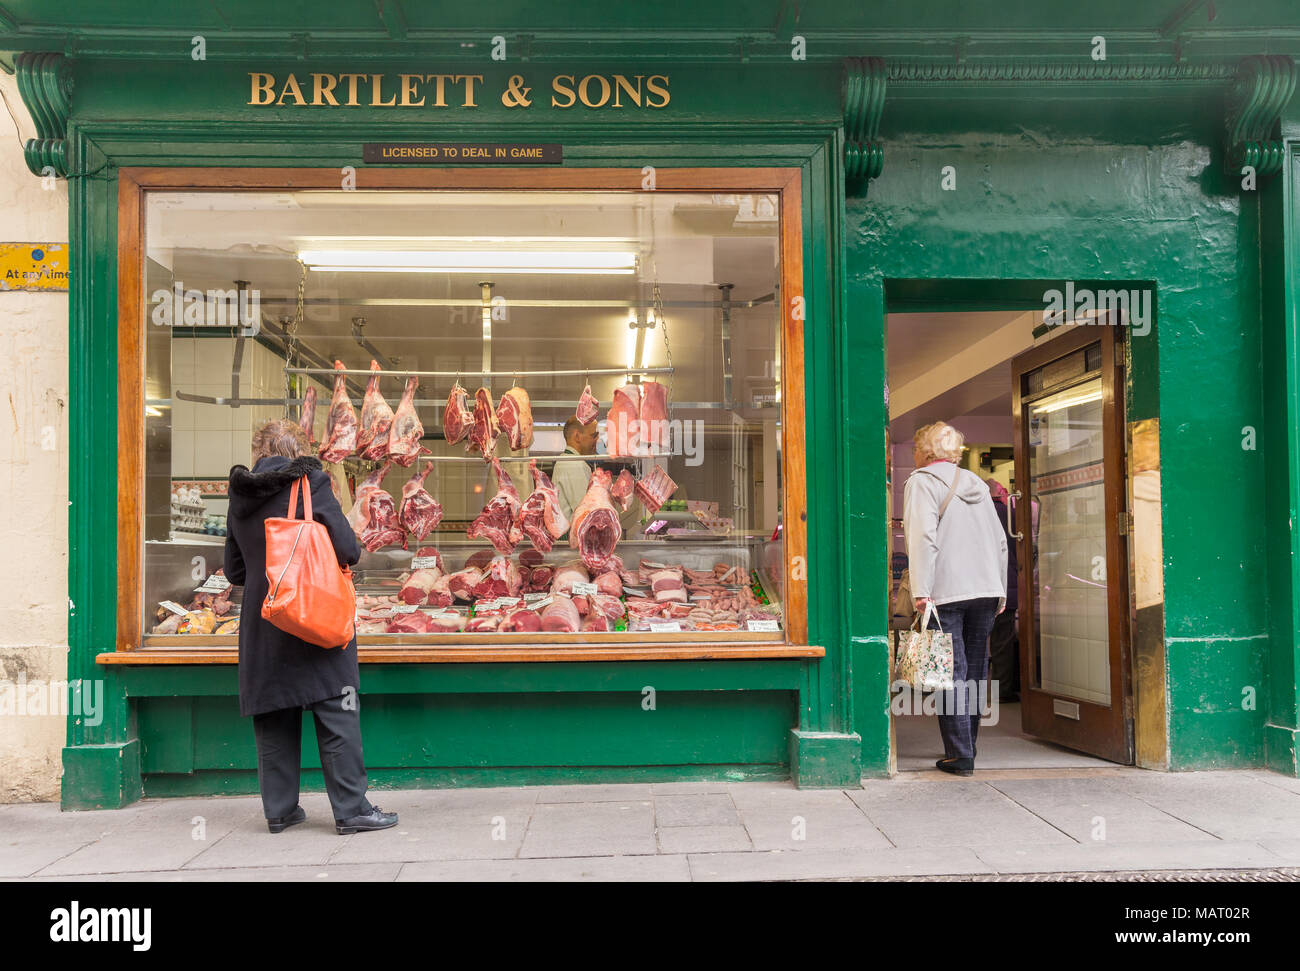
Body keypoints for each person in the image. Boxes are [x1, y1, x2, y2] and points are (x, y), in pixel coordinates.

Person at [224, 418, 398, 835]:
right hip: (314, 612)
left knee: (273, 713)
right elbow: (348, 550)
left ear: (258, 452)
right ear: (301, 450)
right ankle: (352, 810)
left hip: (265, 620)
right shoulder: (311, 484)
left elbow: (234, 569)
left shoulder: (240, 494)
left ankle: (280, 811)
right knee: (338, 709)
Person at [902, 421, 1007, 777]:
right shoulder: (975, 482)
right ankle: (967, 746)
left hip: (945, 590)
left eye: (917, 447)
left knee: (949, 672)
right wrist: (1001, 588)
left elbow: (922, 539)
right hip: (986, 589)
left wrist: (921, 590)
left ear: (926, 451)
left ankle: (960, 755)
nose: (914, 454)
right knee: (975, 671)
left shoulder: (922, 481)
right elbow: (1000, 539)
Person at [986, 477, 1020, 703]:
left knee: (976, 640)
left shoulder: (975, 515)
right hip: (1006, 584)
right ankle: (1002, 690)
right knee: (1002, 640)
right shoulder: (1009, 515)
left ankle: (970, 691)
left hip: (979, 587)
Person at [553, 415, 598, 522]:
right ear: (577, 436)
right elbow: (585, 512)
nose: (597, 440)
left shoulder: (568, 461)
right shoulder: (573, 464)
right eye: (593, 435)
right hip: (572, 536)